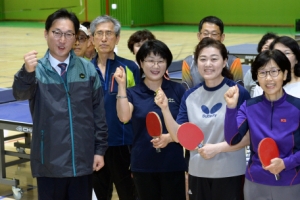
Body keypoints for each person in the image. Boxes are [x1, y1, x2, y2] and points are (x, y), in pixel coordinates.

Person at [12, 8, 108, 200]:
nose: (62, 40)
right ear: (46, 34)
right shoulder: (36, 71)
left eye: (69, 34)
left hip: (82, 163)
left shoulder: (87, 69)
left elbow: (98, 113)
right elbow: (19, 93)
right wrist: (26, 73)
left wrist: (99, 151)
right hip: (49, 164)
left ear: (75, 38)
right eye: (57, 33)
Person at [155, 38, 250, 200]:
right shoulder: (189, 95)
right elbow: (179, 136)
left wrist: (217, 148)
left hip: (231, 172)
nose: (208, 64)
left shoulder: (238, 92)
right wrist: (164, 109)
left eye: (214, 59)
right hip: (198, 172)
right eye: (203, 59)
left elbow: (248, 138)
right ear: (196, 62)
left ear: (224, 61)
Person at [115, 39, 186, 200]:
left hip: (172, 165)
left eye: (161, 61)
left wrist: (170, 137)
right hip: (143, 165)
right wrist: (121, 85)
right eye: (150, 61)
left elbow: (186, 126)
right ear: (141, 62)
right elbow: (124, 116)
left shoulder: (178, 90)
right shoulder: (133, 92)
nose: (156, 66)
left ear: (167, 63)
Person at [224, 49, 300, 200]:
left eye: (274, 71)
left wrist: (286, 163)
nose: (268, 78)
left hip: (290, 182)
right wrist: (231, 108)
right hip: (255, 183)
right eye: (262, 72)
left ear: (285, 74)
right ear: (257, 77)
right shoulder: (248, 106)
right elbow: (232, 139)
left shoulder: (297, 107)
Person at [90, 15, 140, 200]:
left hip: (123, 144)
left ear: (117, 38)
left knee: (129, 194)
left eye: (109, 34)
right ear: (93, 38)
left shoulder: (129, 68)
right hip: (95, 147)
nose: (104, 38)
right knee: (100, 194)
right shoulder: (85, 70)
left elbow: (138, 106)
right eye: (99, 34)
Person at [182, 16, 244, 88]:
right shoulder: (188, 62)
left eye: (214, 34)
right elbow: (186, 92)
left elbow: (239, 91)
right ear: (199, 36)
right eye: (205, 33)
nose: (209, 37)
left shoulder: (234, 62)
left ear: (222, 37)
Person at [243, 32, 278, 97]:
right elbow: (245, 96)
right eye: (266, 48)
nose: (269, 51)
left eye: (273, 48)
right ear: (260, 49)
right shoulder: (250, 73)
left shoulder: (282, 72)